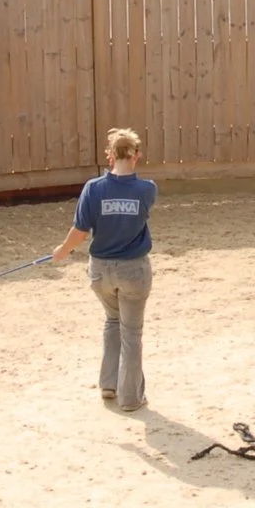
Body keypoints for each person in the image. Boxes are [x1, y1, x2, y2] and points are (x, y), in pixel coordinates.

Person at [52, 128, 156, 410]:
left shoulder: (93, 188)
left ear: (109, 156)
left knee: (113, 321)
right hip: (133, 269)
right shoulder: (147, 190)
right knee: (131, 332)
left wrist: (63, 251)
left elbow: (81, 230)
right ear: (137, 156)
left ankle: (109, 384)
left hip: (100, 270)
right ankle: (131, 397)